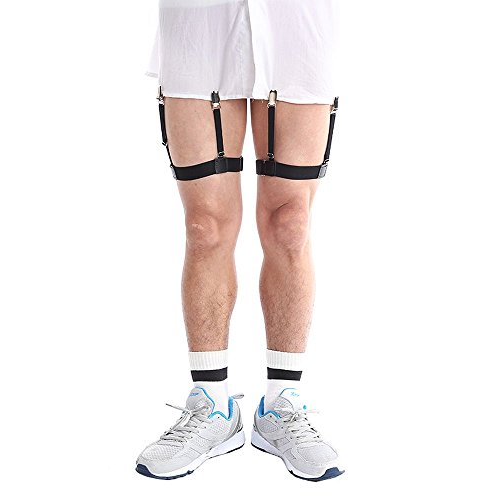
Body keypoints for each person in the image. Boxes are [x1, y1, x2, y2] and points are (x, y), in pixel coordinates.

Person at [136, 0, 343, 482]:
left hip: (299, 24)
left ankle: (281, 403)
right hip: (199, 21)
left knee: (290, 223)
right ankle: (212, 405)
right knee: (204, 227)